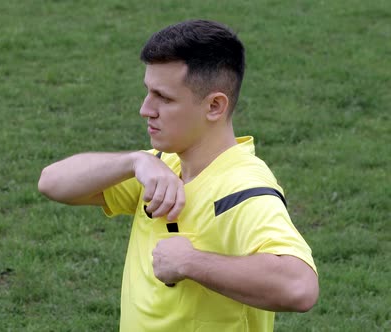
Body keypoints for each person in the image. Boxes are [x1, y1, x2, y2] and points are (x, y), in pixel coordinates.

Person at [38, 19, 318, 332]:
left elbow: (299, 287)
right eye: (147, 92)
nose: (146, 109)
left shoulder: (241, 188)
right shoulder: (164, 163)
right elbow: (51, 182)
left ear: (214, 106)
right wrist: (135, 162)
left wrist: (190, 262)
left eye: (164, 98)